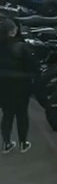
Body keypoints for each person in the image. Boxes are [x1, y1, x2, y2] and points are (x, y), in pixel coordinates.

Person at [0, 18, 36, 153]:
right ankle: (23, 143)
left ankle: (6, 143)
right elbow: (32, 66)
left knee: (7, 115)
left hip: (3, 85)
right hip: (21, 86)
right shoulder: (21, 47)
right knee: (22, 114)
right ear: (12, 31)